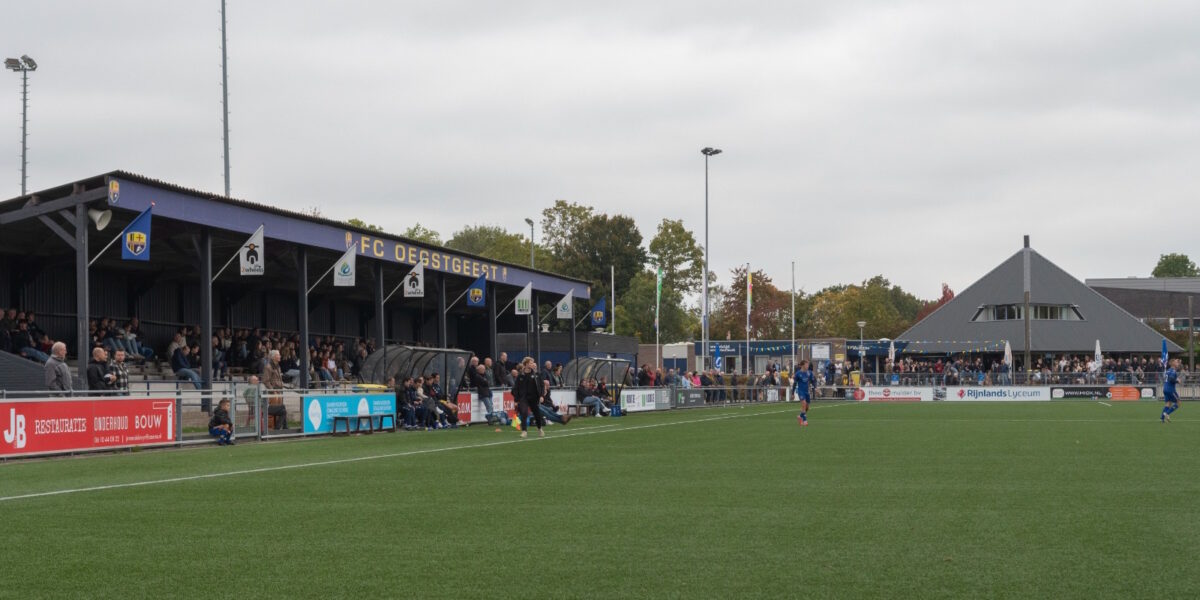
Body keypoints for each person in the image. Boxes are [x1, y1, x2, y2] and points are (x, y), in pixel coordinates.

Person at [515, 357, 546, 438]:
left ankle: (540, 429)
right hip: (523, 398)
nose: (533, 364)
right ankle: (524, 431)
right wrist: (516, 400)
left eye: (533, 363)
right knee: (524, 413)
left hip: (534, 398)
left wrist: (541, 395)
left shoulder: (536, 375)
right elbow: (516, 388)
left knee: (537, 414)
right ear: (526, 364)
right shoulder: (520, 376)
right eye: (531, 363)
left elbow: (542, 386)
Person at [263, 349, 288, 430]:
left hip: (279, 391)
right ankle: (279, 427)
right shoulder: (268, 367)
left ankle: (284, 427)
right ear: (273, 357)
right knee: (280, 410)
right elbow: (266, 381)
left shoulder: (277, 366)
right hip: (274, 393)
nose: (280, 356)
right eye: (278, 355)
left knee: (282, 408)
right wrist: (272, 391)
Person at [793, 360, 814, 426]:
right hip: (800, 391)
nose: (808, 366)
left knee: (807, 407)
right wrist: (792, 393)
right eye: (806, 365)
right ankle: (804, 421)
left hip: (806, 392)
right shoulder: (798, 374)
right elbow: (794, 383)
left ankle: (800, 416)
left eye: (808, 365)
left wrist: (816, 387)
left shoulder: (809, 373)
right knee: (804, 404)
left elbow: (813, 380)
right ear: (802, 365)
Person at [1162, 358, 1181, 423]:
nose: (1178, 363)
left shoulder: (1168, 370)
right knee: (1178, 402)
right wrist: (1177, 381)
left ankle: (1162, 418)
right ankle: (1167, 413)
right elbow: (1171, 379)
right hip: (1170, 389)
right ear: (1173, 364)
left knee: (1168, 403)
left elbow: (1166, 378)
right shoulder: (1173, 371)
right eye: (1176, 362)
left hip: (1165, 388)